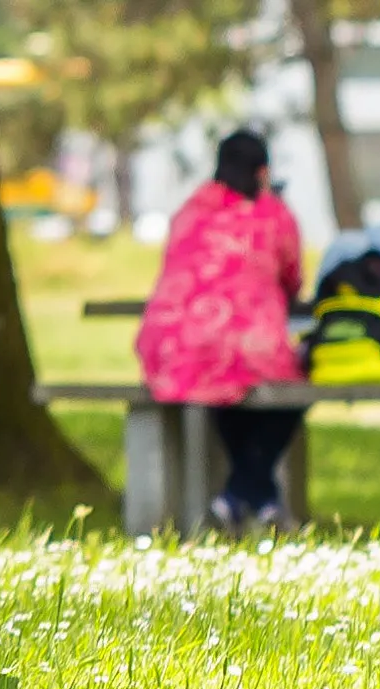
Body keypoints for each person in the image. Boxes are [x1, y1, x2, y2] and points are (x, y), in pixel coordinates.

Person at [130, 129, 311, 528]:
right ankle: (246, 493)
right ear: (263, 171)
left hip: (170, 347)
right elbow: (292, 278)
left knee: (223, 387)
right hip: (242, 341)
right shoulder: (271, 212)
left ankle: (246, 498)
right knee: (293, 386)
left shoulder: (189, 210)